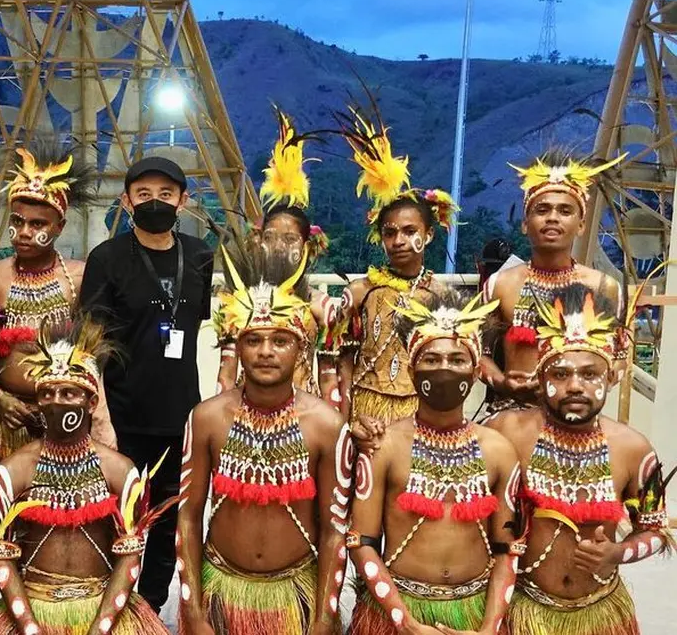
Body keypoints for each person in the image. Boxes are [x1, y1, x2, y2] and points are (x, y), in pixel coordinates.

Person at [178, 241, 348, 635]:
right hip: (223, 594)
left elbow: (334, 528)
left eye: (280, 341)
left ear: (300, 348)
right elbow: (188, 517)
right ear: (237, 346)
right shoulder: (206, 419)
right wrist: (195, 613)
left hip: (295, 598)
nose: (266, 352)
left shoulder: (325, 425)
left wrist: (324, 618)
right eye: (253, 340)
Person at [487, 284, 670, 635]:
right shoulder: (505, 431)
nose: (575, 386)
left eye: (589, 374)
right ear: (540, 378)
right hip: (522, 611)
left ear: (610, 377)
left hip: (601, 613)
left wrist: (617, 553)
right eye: (560, 374)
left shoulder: (634, 449)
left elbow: (655, 530)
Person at [78, 156, 214, 611]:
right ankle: (109, 605)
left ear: (182, 201)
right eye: (144, 195)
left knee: (168, 519)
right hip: (123, 416)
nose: (155, 202)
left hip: (181, 416)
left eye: (166, 194)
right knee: (117, 516)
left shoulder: (200, 255)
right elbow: (90, 344)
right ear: (126, 201)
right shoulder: (107, 259)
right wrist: (100, 417)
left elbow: (196, 326)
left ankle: (150, 607)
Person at [0, 317, 170, 635]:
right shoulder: (12, 473)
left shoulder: (120, 471)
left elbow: (129, 558)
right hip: (33, 610)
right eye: (47, 393)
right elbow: (3, 560)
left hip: (103, 609)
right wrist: (29, 627)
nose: (56, 401)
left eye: (69, 393)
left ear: (91, 402)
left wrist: (101, 627)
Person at [346, 291, 521, 635]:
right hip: (397, 610)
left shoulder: (499, 451)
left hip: (474, 614)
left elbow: (508, 550)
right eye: (431, 359)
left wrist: (489, 628)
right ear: (411, 371)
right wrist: (405, 622)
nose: (444, 368)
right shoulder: (384, 446)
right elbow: (360, 543)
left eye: (457, 359)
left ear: (475, 372)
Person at [0, 139, 115, 451]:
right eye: (17, 221)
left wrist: (99, 418)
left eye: (37, 223)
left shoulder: (79, 276)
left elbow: (92, 355)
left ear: (59, 227)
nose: (24, 232)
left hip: (66, 422)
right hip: (4, 420)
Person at [334, 104, 454, 425]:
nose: (399, 240)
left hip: (420, 413)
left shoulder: (441, 296)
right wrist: (346, 423)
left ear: (428, 235)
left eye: (409, 231)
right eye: (390, 233)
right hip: (365, 411)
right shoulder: (360, 292)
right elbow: (341, 361)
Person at [480, 151, 625, 413]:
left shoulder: (604, 287)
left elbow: (620, 359)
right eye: (542, 209)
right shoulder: (500, 284)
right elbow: (477, 354)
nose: (552, 217)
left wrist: (579, 391)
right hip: (514, 416)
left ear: (581, 225)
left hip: (578, 419)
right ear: (525, 224)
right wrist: (503, 383)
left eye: (565, 211)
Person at [215, 108, 341, 407]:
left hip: (306, 415)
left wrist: (332, 423)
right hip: (248, 411)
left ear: (308, 246)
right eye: (270, 238)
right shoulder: (239, 301)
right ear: (258, 242)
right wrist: (221, 418)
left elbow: (329, 379)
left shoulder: (321, 306)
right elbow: (226, 376)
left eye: (290, 239)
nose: (279, 247)